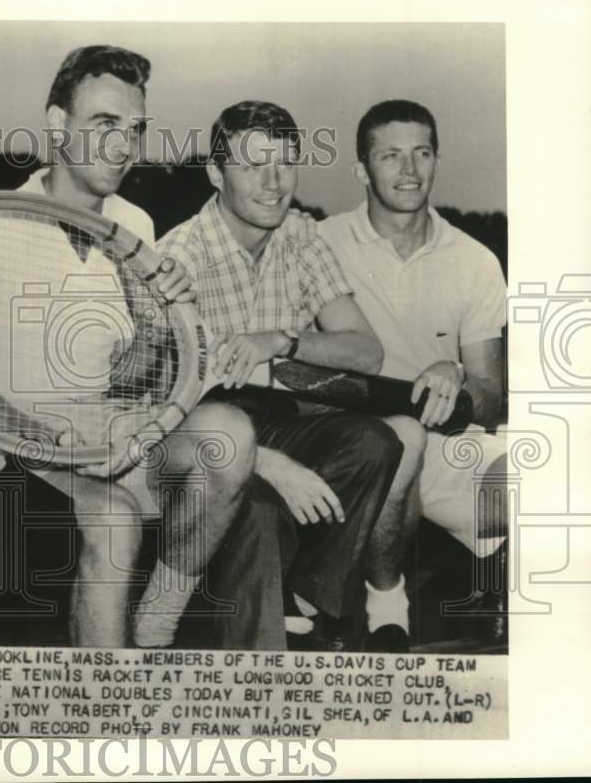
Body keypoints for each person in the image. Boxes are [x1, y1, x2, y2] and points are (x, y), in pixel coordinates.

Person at [0, 45, 262, 649]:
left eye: (135, 129)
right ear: (58, 124)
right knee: (114, 519)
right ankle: (103, 710)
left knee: (231, 436)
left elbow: (138, 375)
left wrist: (157, 323)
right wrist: (52, 438)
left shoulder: (137, 225)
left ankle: (155, 623)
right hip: (25, 447)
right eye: (104, 124)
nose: (123, 145)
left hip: (109, 437)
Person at [159, 100, 423, 651]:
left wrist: (282, 339)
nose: (274, 182)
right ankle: (261, 659)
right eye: (254, 164)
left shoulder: (300, 236)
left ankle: (304, 600)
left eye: (284, 162)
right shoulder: (180, 258)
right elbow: (164, 411)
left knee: (378, 442)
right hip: (200, 439)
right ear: (216, 173)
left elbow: (365, 352)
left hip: (279, 417)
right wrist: (270, 465)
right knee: (258, 509)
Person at [319, 99, 507, 632]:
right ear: (361, 169)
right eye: (390, 156)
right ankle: (381, 606)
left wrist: (455, 373)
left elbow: (491, 397)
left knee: (555, 485)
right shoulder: (320, 243)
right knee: (398, 445)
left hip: (448, 445)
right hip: (359, 447)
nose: (408, 170)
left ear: (437, 161)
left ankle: (493, 574)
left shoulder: (474, 258)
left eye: (421, 153)